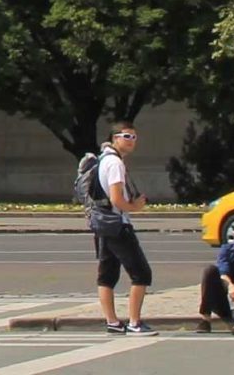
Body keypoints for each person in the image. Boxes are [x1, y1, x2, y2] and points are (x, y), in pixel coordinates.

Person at [90, 126, 155, 337]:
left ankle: (113, 322)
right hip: (117, 223)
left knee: (107, 274)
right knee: (141, 273)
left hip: (103, 223)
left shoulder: (104, 159)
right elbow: (116, 198)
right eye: (126, 136)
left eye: (134, 137)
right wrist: (134, 207)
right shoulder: (115, 163)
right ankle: (135, 323)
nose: (131, 140)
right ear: (114, 138)